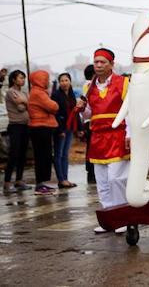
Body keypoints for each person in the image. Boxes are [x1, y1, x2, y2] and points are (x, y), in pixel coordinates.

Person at [78, 48, 130, 234]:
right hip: (98, 137)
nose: (98, 65)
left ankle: (122, 217)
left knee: (116, 178)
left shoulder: (123, 83)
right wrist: (82, 108)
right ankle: (108, 220)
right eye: (96, 62)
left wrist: (129, 134)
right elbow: (88, 115)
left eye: (103, 62)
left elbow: (130, 111)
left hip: (117, 135)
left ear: (111, 64)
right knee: (102, 181)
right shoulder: (88, 87)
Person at [27, 70, 59, 195]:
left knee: (44, 156)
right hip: (40, 128)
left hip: (41, 127)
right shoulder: (38, 93)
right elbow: (54, 107)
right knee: (42, 157)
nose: (48, 81)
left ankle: (43, 184)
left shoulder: (38, 92)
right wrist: (53, 102)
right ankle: (40, 185)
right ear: (40, 80)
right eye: (46, 79)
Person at [3, 70, 31, 192]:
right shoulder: (10, 92)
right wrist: (26, 103)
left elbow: (27, 105)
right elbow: (20, 107)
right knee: (13, 154)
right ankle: (7, 183)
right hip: (15, 127)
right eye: (20, 78)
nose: (23, 80)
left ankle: (19, 180)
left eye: (23, 78)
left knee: (22, 154)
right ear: (13, 79)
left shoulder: (23, 92)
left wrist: (25, 103)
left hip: (25, 126)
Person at [51, 73, 79, 188]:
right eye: (62, 81)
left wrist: (80, 128)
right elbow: (55, 114)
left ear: (70, 81)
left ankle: (65, 179)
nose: (64, 83)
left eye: (66, 80)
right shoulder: (56, 95)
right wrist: (60, 129)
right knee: (58, 154)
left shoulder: (72, 94)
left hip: (70, 128)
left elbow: (75, 112)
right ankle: (61, 179)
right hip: (60, 129)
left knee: (65, 155)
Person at [80, 64, 96, 184]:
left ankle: (91, 172)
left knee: (91, 148)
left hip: (89, 120)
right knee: (92, 148)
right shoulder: (90, 85)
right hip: (91, 120)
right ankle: (91, 172)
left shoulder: (87, 85)